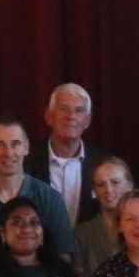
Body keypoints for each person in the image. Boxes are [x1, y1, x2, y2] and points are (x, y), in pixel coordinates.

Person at [0, 117, 75, 256]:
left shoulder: (50, 199)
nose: (8, 153)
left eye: (15, 144)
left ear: (26, 147)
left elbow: (63, 258)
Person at [34, 82, 108, 224]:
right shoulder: (28, 162)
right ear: (49, 116)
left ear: (87, 120)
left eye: (79, 110)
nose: (71, 116)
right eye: (63, 109)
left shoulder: (103, 162)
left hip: (89, 245)